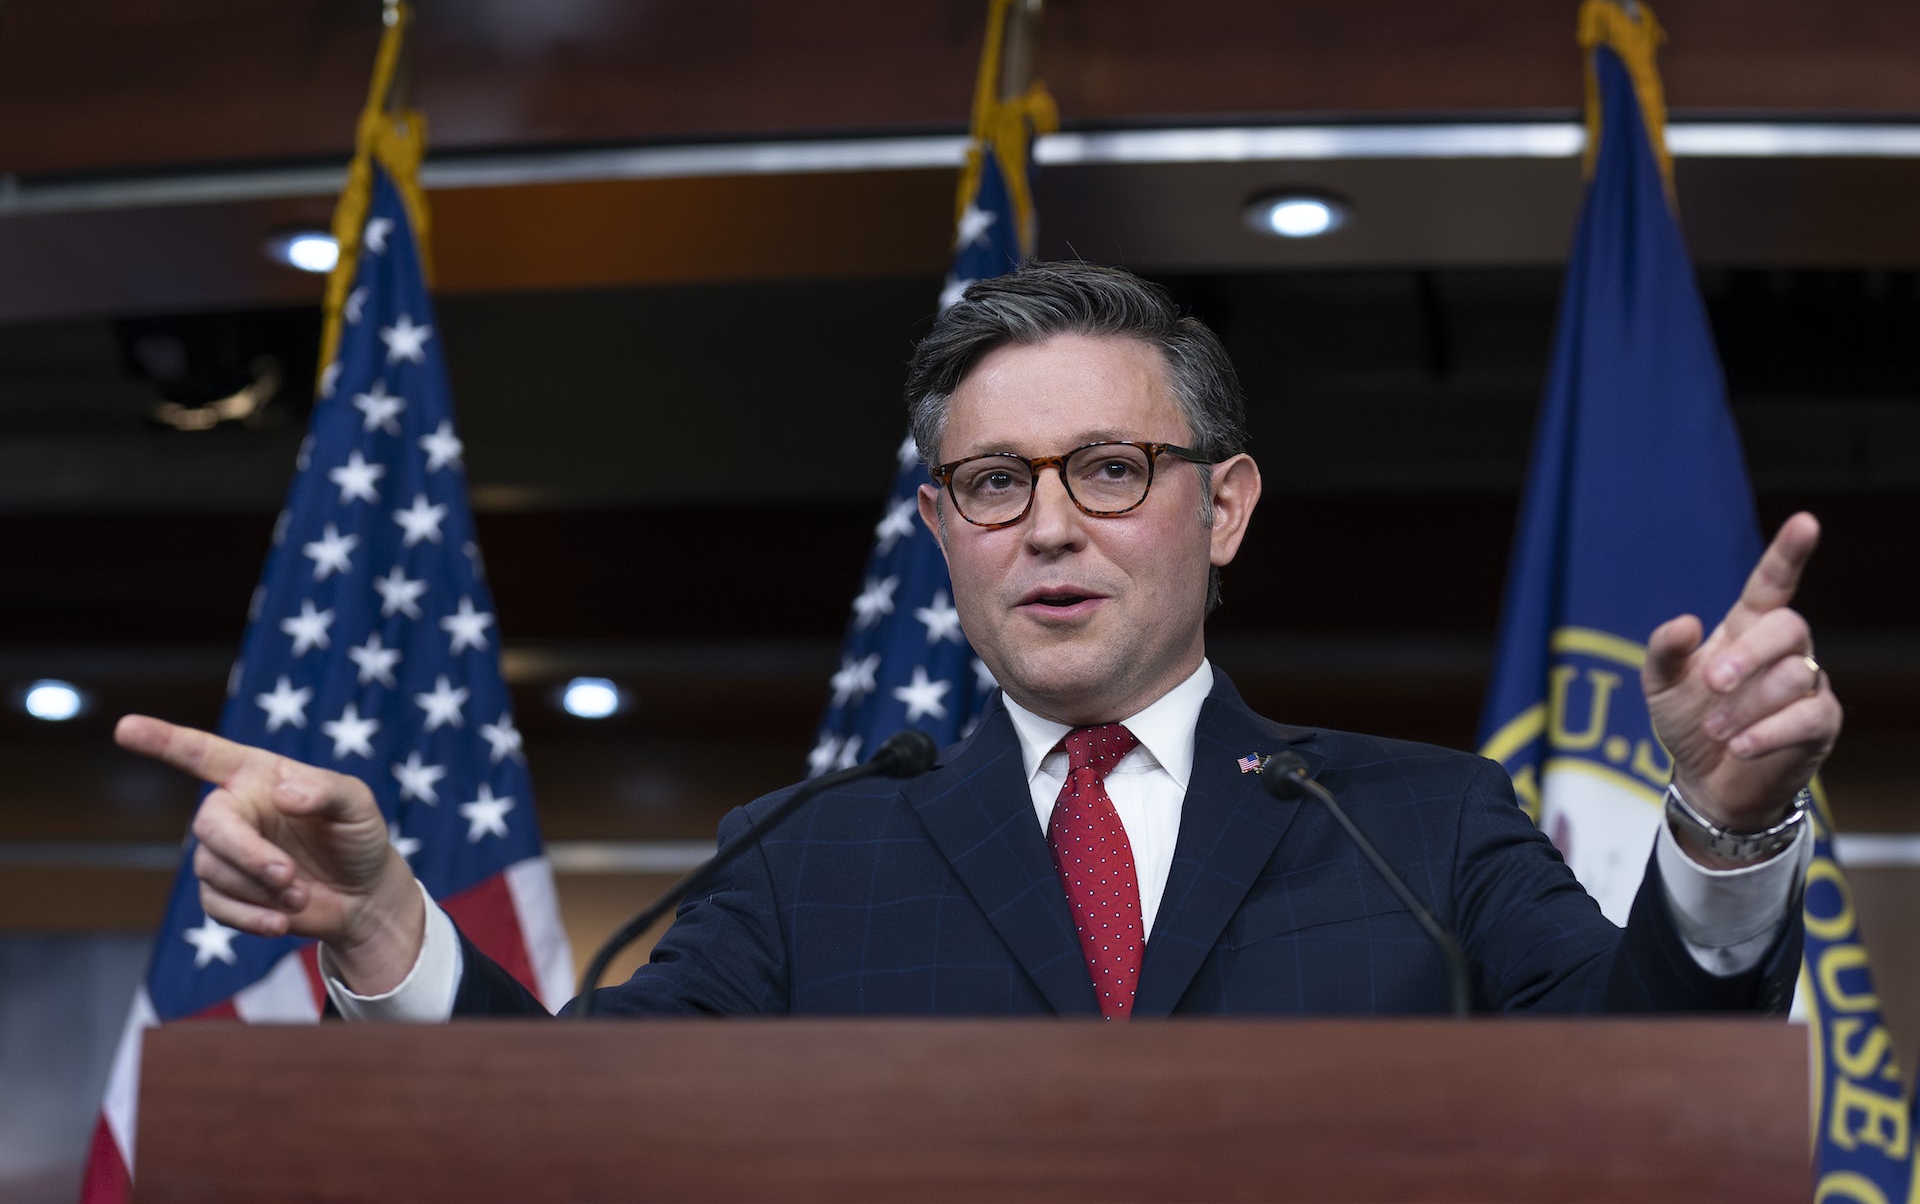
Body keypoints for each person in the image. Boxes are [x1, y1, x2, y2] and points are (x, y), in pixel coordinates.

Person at [117, 261, 1838, 1019]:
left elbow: (1651, 1093)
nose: (1052, 524)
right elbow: (567, 1138)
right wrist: (388, 928)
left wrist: (1723, 828)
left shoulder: (1423, 829)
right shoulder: (805, 858)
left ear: (1223, 508)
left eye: (1110, 467)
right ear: (940, 534)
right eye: (992, 484)